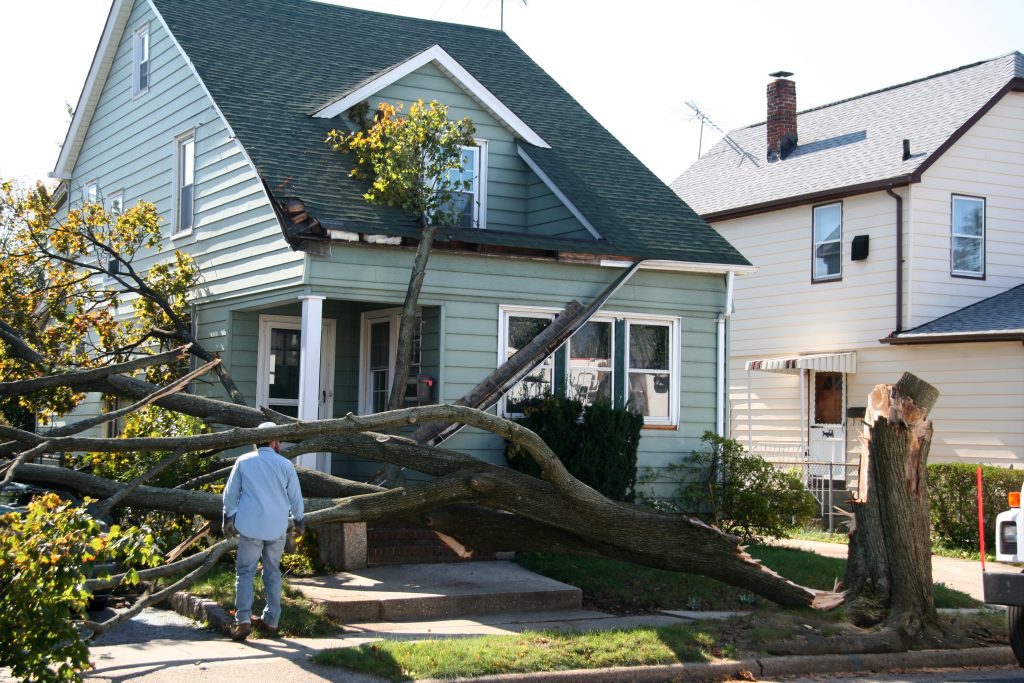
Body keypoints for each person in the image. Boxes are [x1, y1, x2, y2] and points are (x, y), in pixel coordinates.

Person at [222, 421, 304, 641]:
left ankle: (243, 620)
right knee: (272, 572)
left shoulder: (244, 461)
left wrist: (227, 517)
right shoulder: (285, 465)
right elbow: (295, 496)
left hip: (250, 525)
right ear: (274, 441)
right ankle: (272, 620)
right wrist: (299, 520)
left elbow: (231, 493)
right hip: (277, 526)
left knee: (245, 572)